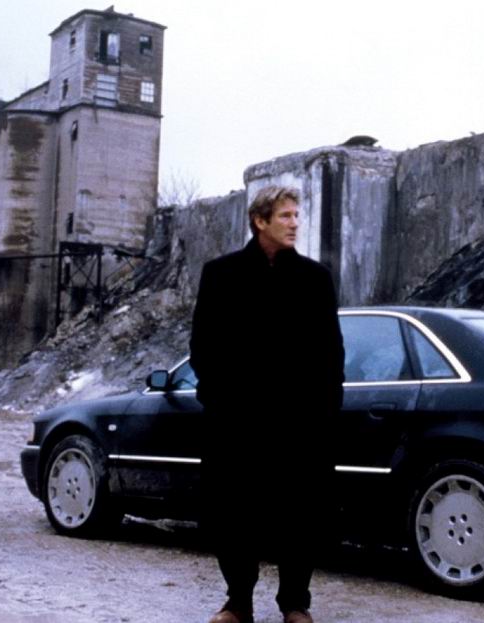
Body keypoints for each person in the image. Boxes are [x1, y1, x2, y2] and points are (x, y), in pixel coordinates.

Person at [189, 185, 345, 623]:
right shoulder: (221, 274)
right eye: (285, 216)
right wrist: (220, 402)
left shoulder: (315, 279)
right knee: (235, 514)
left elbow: (331, 353)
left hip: (300, 423)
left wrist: (326, 412)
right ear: (260, 221)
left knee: (299, 514)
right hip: (237, 422)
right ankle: (238, 602)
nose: (295, 224)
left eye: (296, 216)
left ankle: (295, 603)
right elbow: (203, 347)